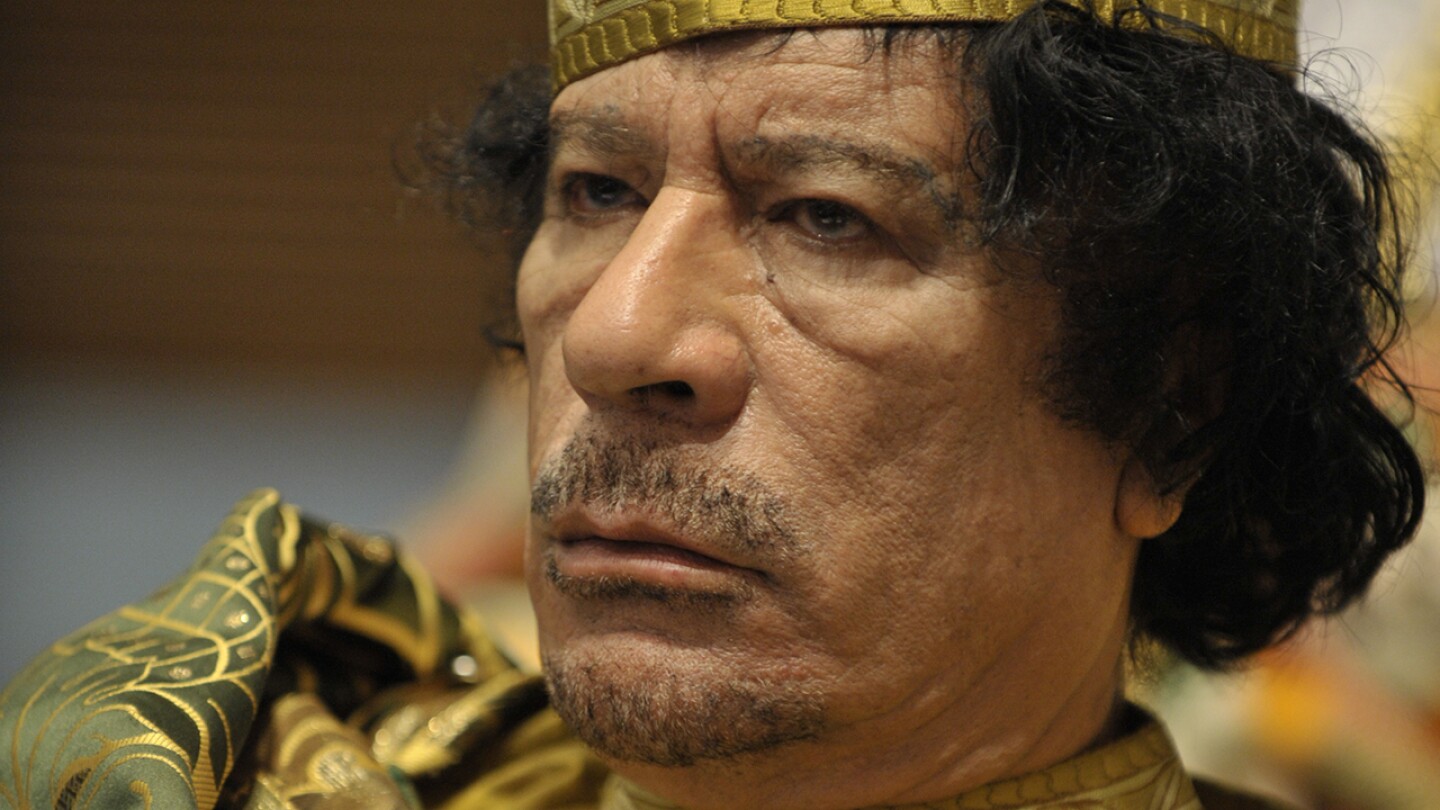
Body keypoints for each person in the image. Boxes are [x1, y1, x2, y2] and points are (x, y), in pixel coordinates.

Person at [0, 1, 1428, 808]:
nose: (614, 333)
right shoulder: (227, 771)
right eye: (595, 194)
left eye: (823, 217)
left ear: (1173, 404)